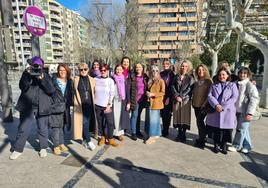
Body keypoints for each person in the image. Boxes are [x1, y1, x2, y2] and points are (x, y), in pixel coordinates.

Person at [10, 57, 56, 160]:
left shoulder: (46, 76)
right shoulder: (27, 74)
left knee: (42, 128)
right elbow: (22, 87)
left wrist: (42, 79)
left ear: (42, 66)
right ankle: (18, 149)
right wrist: (26, 74)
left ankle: (43, 147)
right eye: (34, 65)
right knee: (23, 128)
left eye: (38, 66)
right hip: (27, 106)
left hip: (42, 106)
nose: (36, 68)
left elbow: (51, 90)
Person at [206, 67, 239, 154]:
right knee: (215, 129)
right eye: (220, 75)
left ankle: (223, 146)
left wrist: (223, 105)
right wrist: (216, 105)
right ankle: (216, 145)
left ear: (227, 75)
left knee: (226, 130)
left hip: (227, 111)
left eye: (223, 74)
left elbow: (234, 97)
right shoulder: (214, 85)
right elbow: (210, 96)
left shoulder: (233, 85)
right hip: (216, 110)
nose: (221, 76)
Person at [228, 67, 259, 154]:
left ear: (248, 74)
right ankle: (247, 146)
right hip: (236, 111)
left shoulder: (249, 85)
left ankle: (236, 145)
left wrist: (250, 113)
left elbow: (254, 99)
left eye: (245, 73)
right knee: (243, 129)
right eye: (241, 73)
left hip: (245, 112)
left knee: (240, 129)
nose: (242, 75)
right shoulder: (235, 83)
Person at [50, 64, 73, 155]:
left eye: (64, 70)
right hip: (55, 107)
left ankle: (61, 143)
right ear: (58, 71)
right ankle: (55, 146)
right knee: (56, 127)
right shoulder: (53, 80)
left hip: (65, 107)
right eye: (60, 70)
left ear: (67, 71)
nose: (62, 72)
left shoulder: (69, 81)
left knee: (62, 126)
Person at [73, 63, 97, 151]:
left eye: (85, 69)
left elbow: (95, 92)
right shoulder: (76, 79)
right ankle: (89, 141)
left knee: (87, 123)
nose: (83, 71)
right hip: (80, 105)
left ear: (88, 70)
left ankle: (84, 141)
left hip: (90, 105)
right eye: (81, 69)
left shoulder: (92, 80)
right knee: (84, 123)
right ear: (78, 70)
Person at [95, 64, 119, 147]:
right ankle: (102, 137)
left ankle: (111, 138)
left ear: (108, 71)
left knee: (110, 122)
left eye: (105, 70)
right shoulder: (96, 79)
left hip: (107, 105)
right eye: (101, 70)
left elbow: (112, 93)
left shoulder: (110, 81)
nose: (103, 72)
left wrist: (109, 104)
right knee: (100, 122)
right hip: (97, 105)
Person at [171, 60, 194, 142]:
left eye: (186, 66)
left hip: (185, 100)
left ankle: (183, 134)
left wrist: (182, 96)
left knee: (184, 117)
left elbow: (190, 88)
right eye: (183, 66)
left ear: (188, 67)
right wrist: (176, 95)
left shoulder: (190, 77)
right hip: (177, 100)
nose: (184, 67)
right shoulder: (176, 76)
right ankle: (179, 133)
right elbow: (172, 86)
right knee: (178, 117)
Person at [192, 64, 212, 149]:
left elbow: (209, 94)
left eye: (203, 70)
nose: (201, 71)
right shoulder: (196, 81)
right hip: (196, 104)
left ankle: (202, 140)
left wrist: (204, 104)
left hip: (203, 106)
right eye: (199, 70)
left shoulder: (208, 81)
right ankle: (202, 137)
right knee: (199, 122)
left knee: (199, 122)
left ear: (206, 71)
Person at [144, 65, 165, 144]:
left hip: (156, 102)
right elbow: (147, 90)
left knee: (153, 120)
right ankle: (155, 133)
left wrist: (153, 94)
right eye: (153, 70)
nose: (154, 72)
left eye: (156, 70)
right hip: (149, 102)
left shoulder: (161, 81)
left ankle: (152, 136)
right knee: (150, 119)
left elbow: (163, 92)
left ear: (158, 72)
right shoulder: (150, 80)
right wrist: (147, 93)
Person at [129, 63, 149, 141]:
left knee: (138, 116)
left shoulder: (145, 77)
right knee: (134, 115)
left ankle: (137, 131)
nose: (138, 68)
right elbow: (129, 89)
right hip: (134, 100)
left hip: (142, 100)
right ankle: (133, 132)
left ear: (142, 68)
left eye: (140, 67)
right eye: (136, 67)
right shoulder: (132, 77)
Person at [112, 64, 131, 141]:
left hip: (122, 101)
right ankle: (113, 133)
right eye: (117, 69)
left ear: (122, 70)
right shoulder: (112, 79)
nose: (118, 71)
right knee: (114, 117)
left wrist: (128, 102)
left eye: (120, 69)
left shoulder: (124, 80)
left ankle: (119, 134)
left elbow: (127, 92)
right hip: (114, 102)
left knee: (120, 118)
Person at [160, 59, 175, 137]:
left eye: (167, 64)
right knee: (162, 113)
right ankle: (164, 128)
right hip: (161, 96)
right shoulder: (161, 73)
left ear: (169, 65)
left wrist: (169, 97)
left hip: (168, 97)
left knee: (167, 114)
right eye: (164, 64)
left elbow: (171, 86)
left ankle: (166, 129)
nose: (165, 65)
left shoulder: (171, 74)